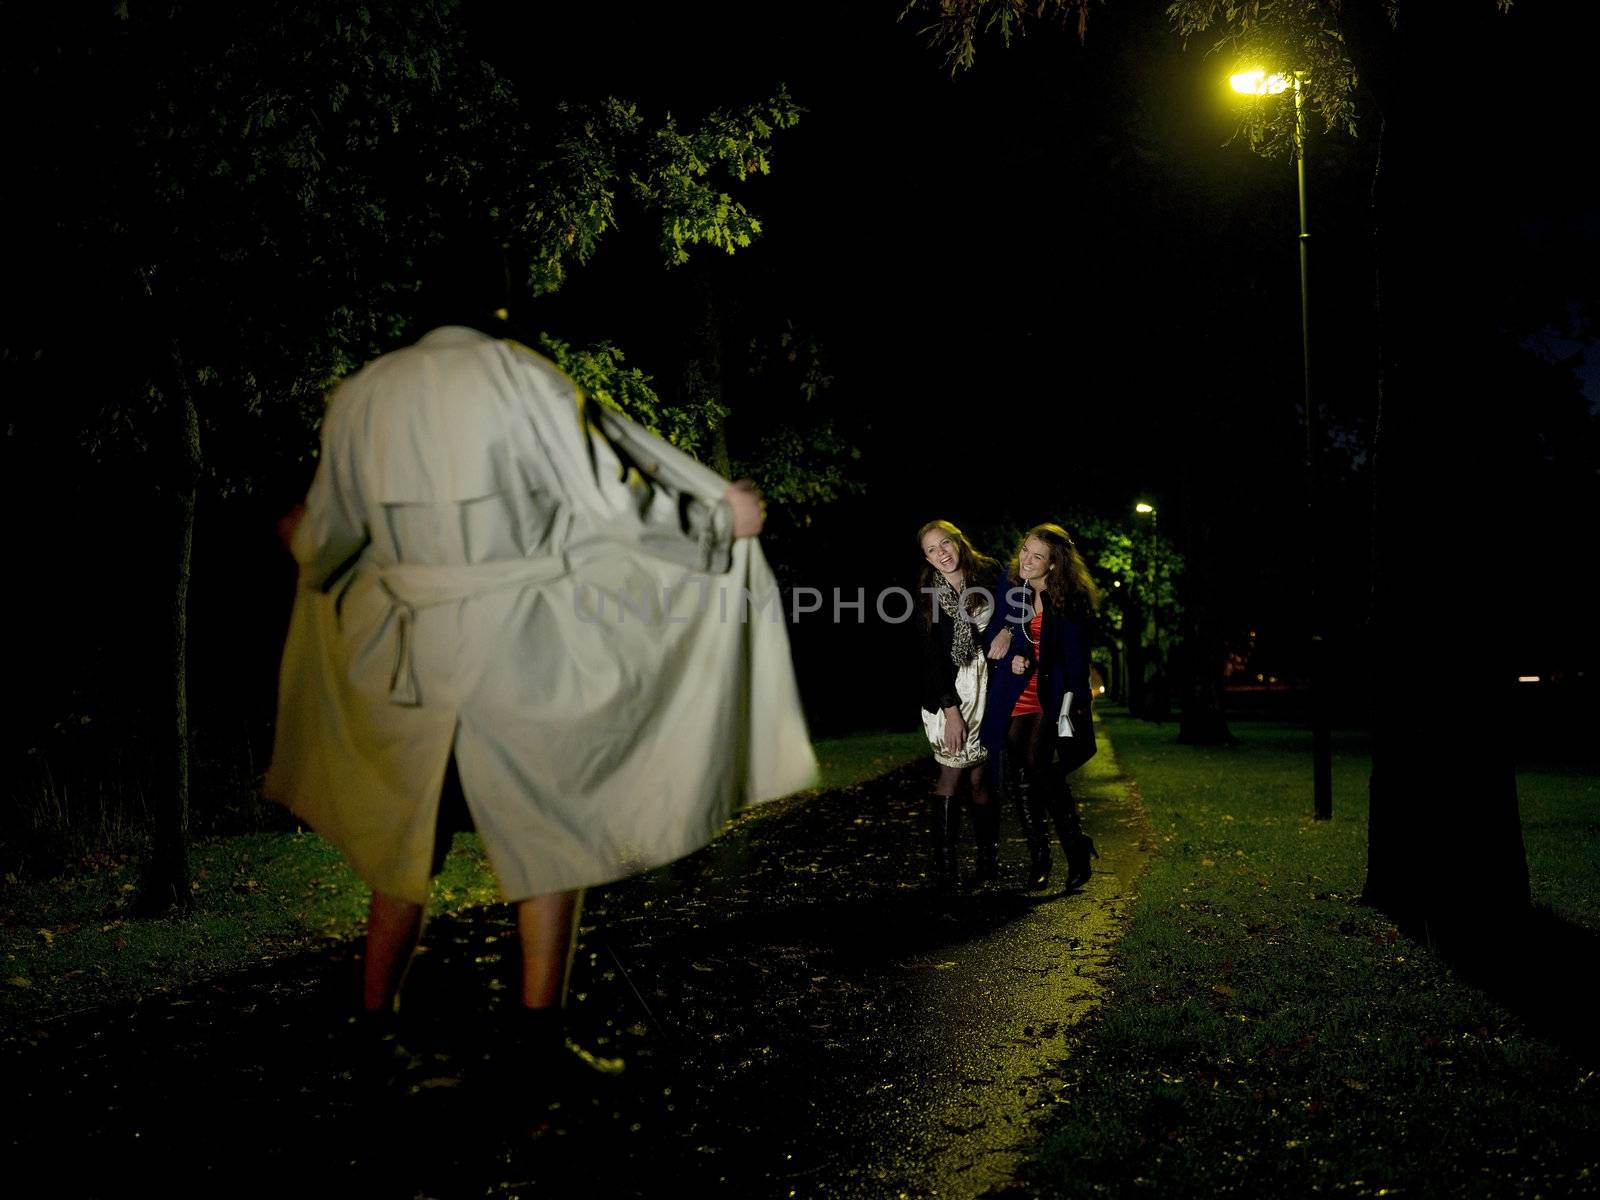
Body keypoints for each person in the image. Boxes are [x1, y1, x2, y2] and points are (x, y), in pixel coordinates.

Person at [266, 252, 818, 1092]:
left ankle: (374, 1027)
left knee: (405, 842)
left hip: (412, 660)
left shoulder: (363, 395)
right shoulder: (522, 378)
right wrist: (717, 521)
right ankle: (535, 1041)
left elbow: (326, 543)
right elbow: (609, 501)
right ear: (497, 310)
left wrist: (307, 535)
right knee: (550, 835)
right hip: (515, 648)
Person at [980, 523, 1100, 891]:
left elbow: (1075, 657)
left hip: (1052, 693)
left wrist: (1079, 700)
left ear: (1053, 564)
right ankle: (1041, 859)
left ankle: (1074, 848)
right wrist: (1005, 642)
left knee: (1037, 766)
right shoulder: (1011, 585)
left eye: (1038, 556)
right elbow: (994, 631)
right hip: (1016, 691)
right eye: (1025, 551)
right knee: (1023, 774)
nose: (1027, 561)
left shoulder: (1069, 598)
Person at [914, 520, 1012, 890]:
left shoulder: (990, 572)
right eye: (931, 549)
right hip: (949, 693)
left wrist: (1006, 630)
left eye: (945, 543)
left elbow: (1017, 608)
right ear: (926, 558)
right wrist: (951, 712)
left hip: (989, 686)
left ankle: (987, 862)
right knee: (952, 772)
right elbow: (929, 660)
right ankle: (945, 869)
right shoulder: (926, 593)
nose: (942, 553)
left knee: (980, 777)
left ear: (958, 541)